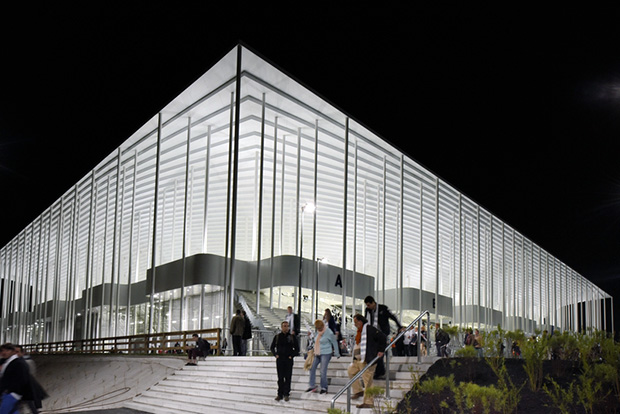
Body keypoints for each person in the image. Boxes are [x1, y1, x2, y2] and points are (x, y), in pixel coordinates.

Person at [347, 314, 387, 410]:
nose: (355, 324)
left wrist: (381, 350)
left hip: (367, 360)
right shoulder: (360, 331)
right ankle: (358, 391)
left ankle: (369, 402)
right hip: (358, 360)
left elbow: (383, 337)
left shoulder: (370, 329)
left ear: (360, 322)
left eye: (356, 322)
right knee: (351, 371)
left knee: (367, 380)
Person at [364, 295, 401, 379]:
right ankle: (380, 370)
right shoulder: (368, 310)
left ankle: (380, 371)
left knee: (380, 351)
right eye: (367, 305)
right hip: (373, 334)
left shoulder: (383, 308)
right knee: (375, 353)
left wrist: (399, 326)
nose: (368, 307)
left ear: (373, 303)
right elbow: (366, 320)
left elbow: (393, 317)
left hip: (383, 334)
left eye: (369, 305)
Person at [306, 319, 340, 394]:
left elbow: (334, 342)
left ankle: (324, 387)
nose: (319, 329)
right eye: (318, 328)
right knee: (312, 368)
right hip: (317, 353)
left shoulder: (329, 332)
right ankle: (312, 385)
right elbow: (315, 341)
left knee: (322, 370)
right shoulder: (317, 333)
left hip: (326, 353)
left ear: (323, 326)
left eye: (320, 328)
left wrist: (337, 353)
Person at [0, 343, 34, 414]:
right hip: (8, 393)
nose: (4, 353)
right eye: (2, 351)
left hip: (13, 393)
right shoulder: (6, 362)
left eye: (7, 350)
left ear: (13, 351)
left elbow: (23, 379)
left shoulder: (19, 363)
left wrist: (15, 392)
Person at [270, 321, 297, 402]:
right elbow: (272, 347)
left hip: (288, 360)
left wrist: (291, 356)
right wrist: (275, 355)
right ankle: (280, 394)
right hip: (280, 359)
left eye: (287, 326)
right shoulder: (277, 337)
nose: (286, 327)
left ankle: (286, 394)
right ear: (282, 327)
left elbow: (297, 349)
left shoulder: (292, 337)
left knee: (288, 377)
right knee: (280, 377)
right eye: (284, 326)